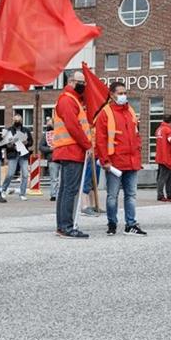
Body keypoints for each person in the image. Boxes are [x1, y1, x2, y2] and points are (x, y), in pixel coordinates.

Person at [95, 81, 147, 236]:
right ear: (112, 95)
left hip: (131, 161)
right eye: (120, 93)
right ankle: (112, 223)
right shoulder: (105, 113)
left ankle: (130, 224)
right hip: (114, 162)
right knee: (112, 196)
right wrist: (104, 160)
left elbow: (136, 135)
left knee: (130, 195)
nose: (123, 95)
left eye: (125, 92)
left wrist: (138, 155)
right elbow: (100, 139)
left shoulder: (130, 110)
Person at [53, 71, 93, 238]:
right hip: (72, 149)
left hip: (68, 149)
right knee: (70, 190)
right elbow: (73, 126)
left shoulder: (69, 99)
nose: (83, 85)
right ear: (71, 81)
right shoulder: (68, 100)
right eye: (80, 81)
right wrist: (87, 145)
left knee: (65, 190)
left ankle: (63, 226)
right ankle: (67, 226)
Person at [1, 114, 33, 200]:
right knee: (10, 174)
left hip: (23, 154)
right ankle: (3, 190)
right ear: (13, 121)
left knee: (25, 174)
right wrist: (10, 145)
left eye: (19, 121)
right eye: (16, 120)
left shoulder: (26, 130)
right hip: (13, 154)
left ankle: (22, 194)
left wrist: (27, 143)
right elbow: (3, 144)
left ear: (22, 121)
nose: (17, 122)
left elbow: (31, 142)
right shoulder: (8, 130)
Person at [39, 118, 60, 201]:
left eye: (50, 123)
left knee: (61, 180)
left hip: (62, 158)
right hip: (52, 159)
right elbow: (41, 147)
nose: (48, 125)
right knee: (53, 178)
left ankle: (61, 195)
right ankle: (53, 195)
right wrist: (50, 149)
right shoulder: (46, 135)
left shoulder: (60, 133)